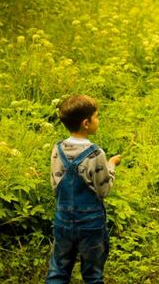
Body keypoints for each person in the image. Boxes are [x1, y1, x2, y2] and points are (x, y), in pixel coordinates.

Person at [46, 95, 121, 284]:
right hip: (90, 223)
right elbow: (103, 189)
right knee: (93, 275)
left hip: (62, 219)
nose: (98, 120)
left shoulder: (57, 149)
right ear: (86, 123)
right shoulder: (96, 153)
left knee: (58, 271)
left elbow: (55, 184)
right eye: (97, 116)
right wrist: (111, 165)